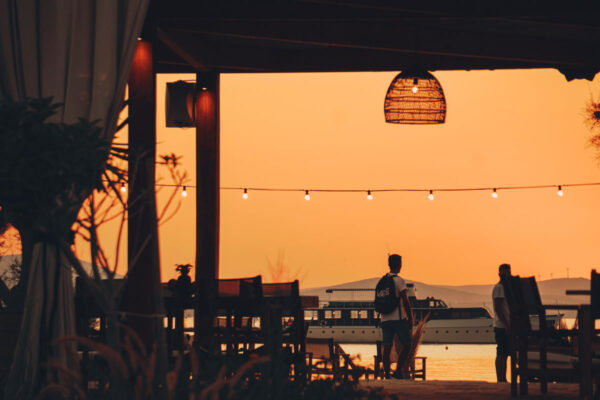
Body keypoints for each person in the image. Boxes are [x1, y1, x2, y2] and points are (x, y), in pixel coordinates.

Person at [380, 254, 414, 379]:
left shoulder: (382, 281)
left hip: (384, 318)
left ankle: (387, 375)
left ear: (389, 264)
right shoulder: (399, 281)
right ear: (399, 264)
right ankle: (398, 371)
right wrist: (410, 317)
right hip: (398, 319)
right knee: (407, 344)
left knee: (387, 347)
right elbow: (405, 301)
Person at [492, 263, 512, 383]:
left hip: (506, 324)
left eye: (508, 272)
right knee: (502, 352)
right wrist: (506, 324)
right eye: (505, 272)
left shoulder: (506, 288)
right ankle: (501, 378)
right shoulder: (499, 288)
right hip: (501, 326)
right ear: (500, 273)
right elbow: (498, 308)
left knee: (505, 353)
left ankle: (503, 378)